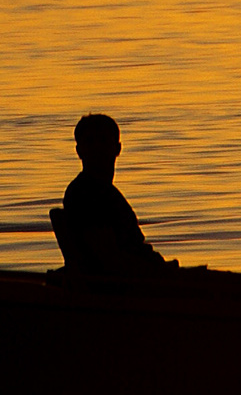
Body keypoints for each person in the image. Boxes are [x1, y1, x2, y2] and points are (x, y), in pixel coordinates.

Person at [54, 113, 169, 274]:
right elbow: (110, 258)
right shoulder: (85, 193)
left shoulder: (104, 191)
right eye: (90, 142)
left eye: (103, 141)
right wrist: (159, 271)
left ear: (117, 148)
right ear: (79, 151)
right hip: (123, 284)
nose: (97, 148)